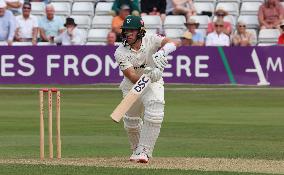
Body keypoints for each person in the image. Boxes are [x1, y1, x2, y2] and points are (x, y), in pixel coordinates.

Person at [114, 15, 178, 163]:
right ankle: (136, 149)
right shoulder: (120, 52)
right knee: (131, 122)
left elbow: (173, 42)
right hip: (132, 86)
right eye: (126, 30)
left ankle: (144, 150)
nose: (128, 33)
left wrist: (163, 52)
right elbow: (131, 76)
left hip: (154, 82)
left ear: (140, 31)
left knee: (156, 108)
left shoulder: (150, 39)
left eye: (132, 30)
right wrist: (149, 75)